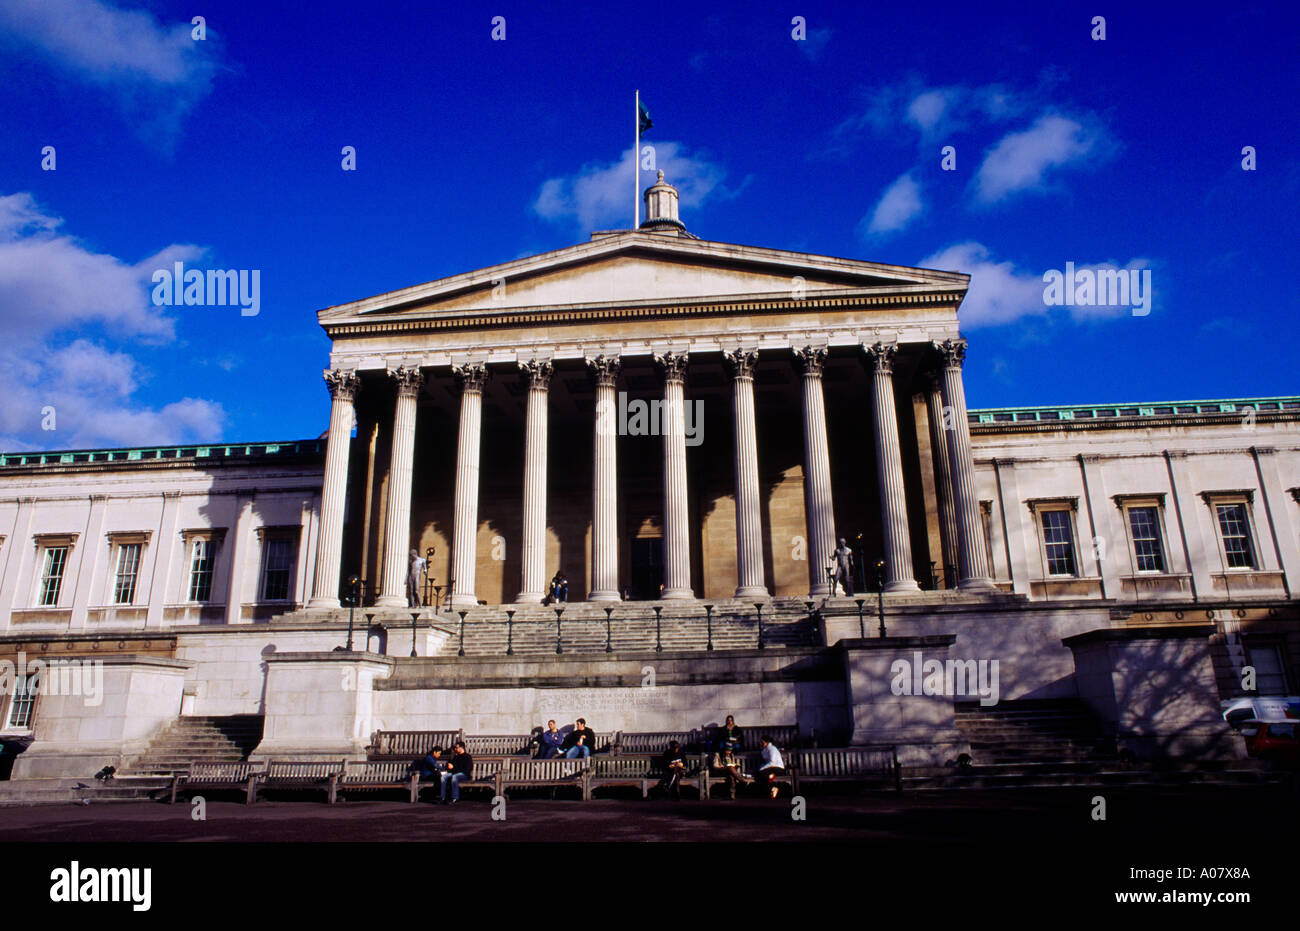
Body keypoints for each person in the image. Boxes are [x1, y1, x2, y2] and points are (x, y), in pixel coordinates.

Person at [758, 735, 786, 799]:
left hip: (778, 768)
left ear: (767, 742)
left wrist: (762, 768)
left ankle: (772, 787)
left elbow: (772, 762)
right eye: (760, 742)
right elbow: (766, 762)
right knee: (760, 773)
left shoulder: (772, 749)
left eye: (762, 742)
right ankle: (772, 788)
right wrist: (762, 767)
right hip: (770, 768)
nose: (761, 744)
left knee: (762, 773)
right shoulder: (764, 750)